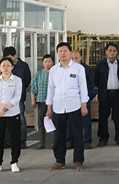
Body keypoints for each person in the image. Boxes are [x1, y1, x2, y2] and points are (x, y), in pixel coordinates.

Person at [47, 42, 89, 171]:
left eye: (65, 51)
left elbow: (83, 88)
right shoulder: (54, 70)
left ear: (70, 53)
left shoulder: (78, 68)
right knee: (59, 136)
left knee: (77, 134)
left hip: (74, 105)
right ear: (57, 54)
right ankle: (60, 161)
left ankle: (78, 160)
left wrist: (84, 105)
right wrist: (49, 107)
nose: (63, 53)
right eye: (60, 51)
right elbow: (50, 89)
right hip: (58, 106)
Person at [0, 57, 23, 173]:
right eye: (3, 65)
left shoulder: (17, 80)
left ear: (12, 67)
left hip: (13, 113)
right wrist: (1, 106)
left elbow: (17, 97)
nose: (6, 68)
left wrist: (5, 108)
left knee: (15, 138)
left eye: (8, 65)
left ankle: (14, 162)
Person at [94, 43, 119, 146]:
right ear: (106, 52)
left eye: (114, 51)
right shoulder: (100, 65)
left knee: (118, 117)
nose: (112, 53)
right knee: (103, 117)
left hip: (118, 94)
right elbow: (96, 80)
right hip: (105, 94)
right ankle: (103, 138)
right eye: (110, 50)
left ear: (117, 52)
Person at [2, 47, 31, 149]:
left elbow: (27, 80)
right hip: (6, 99)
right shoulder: (6, 65)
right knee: (6, 119)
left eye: (10, 58)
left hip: (18, 98)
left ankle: (22, 140)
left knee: (21, 119)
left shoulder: (23, 66)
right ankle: (7, 140)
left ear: (15, 55)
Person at [71, 50, 97, 149]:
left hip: (84, 100)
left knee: (86, 121)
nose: (74, 60)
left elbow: (91, 84)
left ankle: (87, 141)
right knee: (70, 121)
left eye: (76, 58)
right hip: (71, 100)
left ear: (81, 58)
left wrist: (87, 97)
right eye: (72, 58)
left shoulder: (86, 69)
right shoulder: (67, 69)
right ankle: (70, 141)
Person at [30, 54, 53, 149]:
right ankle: (41, 142)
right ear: (43, 63)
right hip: (41, 100)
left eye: (49, 61)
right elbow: (33, 88)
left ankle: (54, 142)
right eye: (45, 62)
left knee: (53, 122)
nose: (47, 64)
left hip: (54, 102)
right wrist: (33, 100)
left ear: (52, 62)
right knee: (41, 122)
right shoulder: (39, 74)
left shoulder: (55, 73)